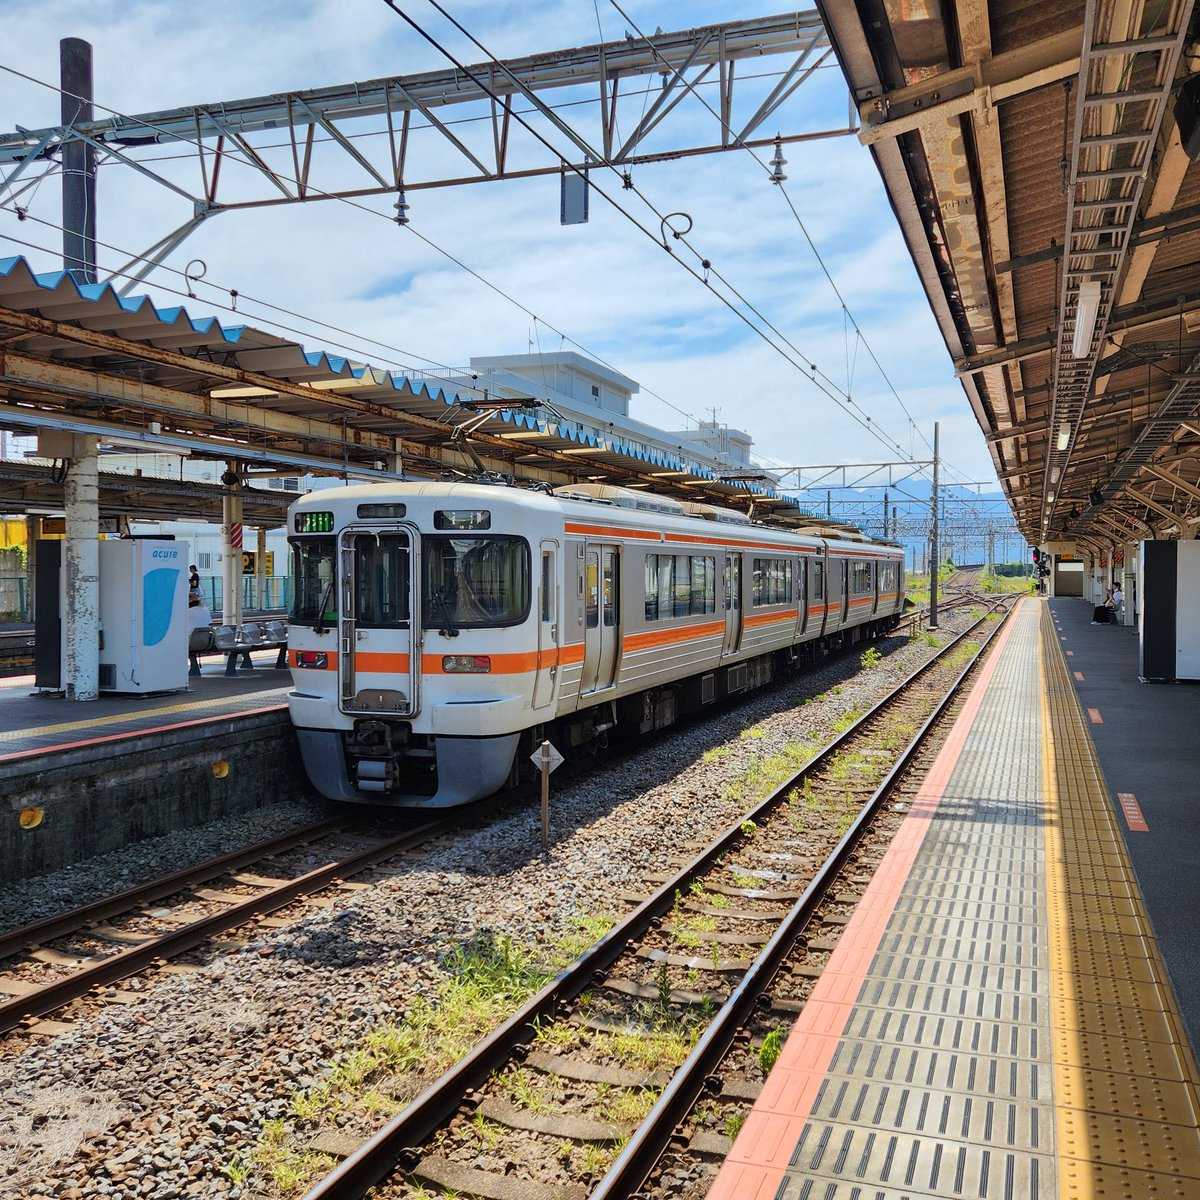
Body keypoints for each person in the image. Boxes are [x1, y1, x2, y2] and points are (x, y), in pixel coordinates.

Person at [187, 592, 213, 677]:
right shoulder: (206, 611)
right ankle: (194, 668)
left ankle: (193, 668)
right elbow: (209, 624)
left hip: (191, 642)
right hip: (205, 641)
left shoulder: (186, 612)